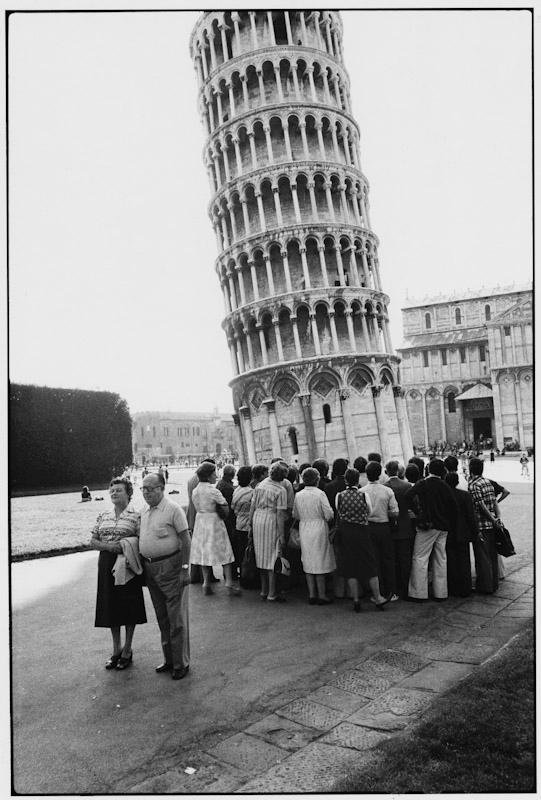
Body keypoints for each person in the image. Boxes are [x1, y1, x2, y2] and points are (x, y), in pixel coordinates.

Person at [91, 477, 146, 671]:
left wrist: (123, 547)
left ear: (128, 494)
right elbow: (93, 540)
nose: (114, 493)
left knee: (128, 605)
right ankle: (116, 649)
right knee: (110, 606)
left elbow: (141, 541)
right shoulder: (103, 515)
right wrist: (110, 547)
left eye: (118, 490)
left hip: (127, 563)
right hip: (106, 563)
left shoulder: (136, 516)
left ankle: (127, 649)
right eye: (112, 490)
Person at [139, 473, 191, 680]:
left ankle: (181, 663)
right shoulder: (144, 511)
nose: (146, 493)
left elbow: (186, 541)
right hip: (151, 570)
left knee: (176, 618)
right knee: (162, 618)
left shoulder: (173, 509)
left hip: (171, 567)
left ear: (162, 488)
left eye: (150, 489)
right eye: (143, 489)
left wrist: (185, 568)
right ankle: (169, 659)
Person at [335, 468, 389, 612]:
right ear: (357, 480)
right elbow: (369, 512)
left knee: (351, 565)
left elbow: (339, 512)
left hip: (346, 532)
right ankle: (378, 597)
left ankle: (356, 599)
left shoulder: (339, 496)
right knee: (370, 564)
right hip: (362, 531)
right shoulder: (363, 495)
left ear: (346, 480)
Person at [405, 458, 458, 601]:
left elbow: (408, 495)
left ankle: (419, 593)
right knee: (441, 558)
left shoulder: (423, 483)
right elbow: (453, 505)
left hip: (427, 525)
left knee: (420, 558)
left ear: (429, 470)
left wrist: (417, 512)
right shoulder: (445, 485)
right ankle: (441, 592)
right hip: (443, 526)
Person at [191, 462, 240, 596]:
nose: (216, 476)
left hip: (201, 520)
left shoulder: (195, 490)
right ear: (208, 475)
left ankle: (206, 582)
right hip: (214, 521)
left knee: (204, 552)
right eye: (214, 474)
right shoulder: (213, 491)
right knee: (224, 551)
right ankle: (229, 582)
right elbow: (225, 506)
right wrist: (224, 513)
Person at [292, 467, 335, 605]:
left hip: (304, 527)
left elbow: (295, 514)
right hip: (319, 527)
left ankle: (311, 594)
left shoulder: (299, 495)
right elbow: (328, 514)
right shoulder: (320, 494)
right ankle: (321, 595)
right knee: (320, 560)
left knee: (308, 560)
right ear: (317, 479)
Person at [249, 462, 288, 602]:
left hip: (257, 519)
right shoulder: (280, 490)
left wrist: (250, 525)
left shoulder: (260, 485)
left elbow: (252, 506)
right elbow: (280, 514)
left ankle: (263, 590)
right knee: (272, 557)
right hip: (271, 521)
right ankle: (272, 592)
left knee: (261, 556)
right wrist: (282, 535)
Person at [361, 461, 399, 600]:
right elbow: (395, 512)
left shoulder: (361, 491)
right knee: (388, 559)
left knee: (373, 560)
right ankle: (391, 591)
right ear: (380, 474)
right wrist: (383, 512)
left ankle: (377, 592)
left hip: (368, 527)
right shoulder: (387, 490)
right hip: (384, 527)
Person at [468, 457, 502, 594]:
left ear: (471, 469)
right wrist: (497, 518)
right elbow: (494, 502)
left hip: (481, 524)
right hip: (492, 525)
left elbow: (481, 506)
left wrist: (493, 520)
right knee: (492, 555)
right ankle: (494, 584)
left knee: (482, 557)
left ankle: (485, 586)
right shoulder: (487, 482)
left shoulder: (474, 485)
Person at [383, 460, 414, 600]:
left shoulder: (384, 487)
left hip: (389, 528)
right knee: (405, 559)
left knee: (392, 560)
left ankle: (393, 589)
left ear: (386, 471)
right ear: (398, 471)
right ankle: (406, 588)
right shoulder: (407, 486)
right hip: (405, 527)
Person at [444, 473, 475, 596]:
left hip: (448, 532)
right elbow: (470, 516)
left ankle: (453, 587)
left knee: (451, 561)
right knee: (464, 560)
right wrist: (475, 532)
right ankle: (465, 587)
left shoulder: (444, 496)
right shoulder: (465, 495)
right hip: (463, 531)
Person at [230, 466, 254, 582]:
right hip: (248, 525)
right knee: (248, 553)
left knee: (240, 552)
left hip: (238, 523)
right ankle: (248, 576)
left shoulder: (237, 490)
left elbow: (233, 507)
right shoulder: (251, 492)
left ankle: (242, 575)